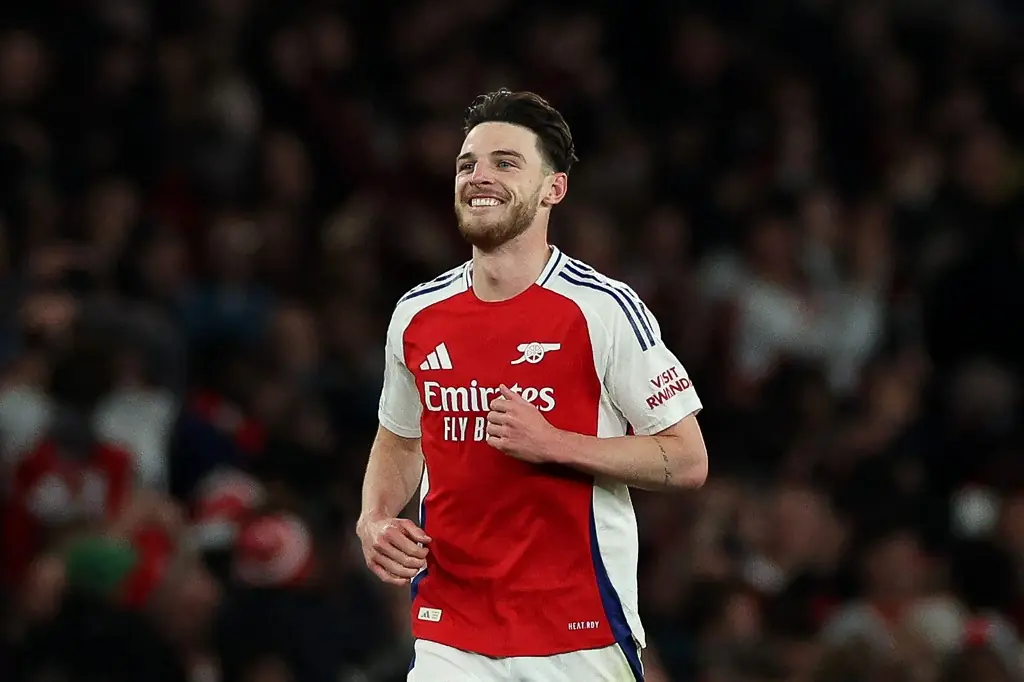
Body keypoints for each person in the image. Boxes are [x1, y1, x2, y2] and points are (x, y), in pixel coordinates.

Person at [357, 89, 709, 681]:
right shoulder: (416, 313)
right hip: (451, 633)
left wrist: (553, 443)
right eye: (467, 164)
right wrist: (374, 518)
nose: (479, 176)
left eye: (505, 163)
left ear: (554, 189)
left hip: (577, 634)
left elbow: (688, 459)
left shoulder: (603, 309)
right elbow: (399, 436)